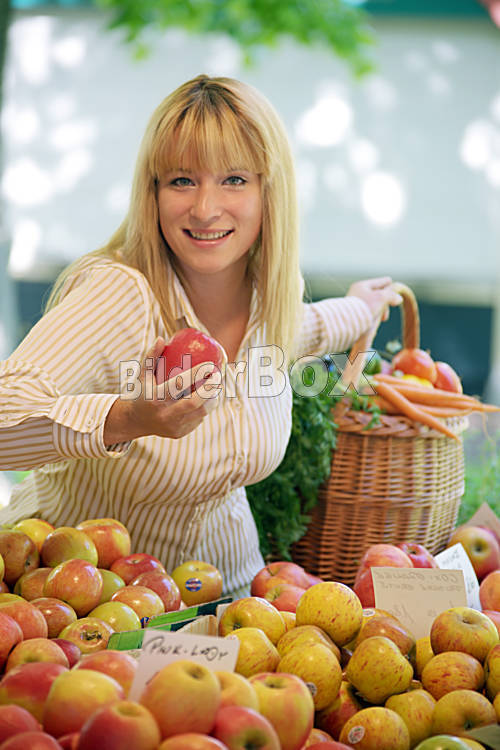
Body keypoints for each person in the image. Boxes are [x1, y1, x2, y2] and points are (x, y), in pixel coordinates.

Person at [0, 75, 401, 597]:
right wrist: (128, 419)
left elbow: (313, 327)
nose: (206, 208)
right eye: (182, 181)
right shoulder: (120, 294)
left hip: (231, 598)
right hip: (83, 602)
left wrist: (362, 306)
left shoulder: (271, 304)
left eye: (233, 179)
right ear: (153, 193)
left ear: (269, 193)